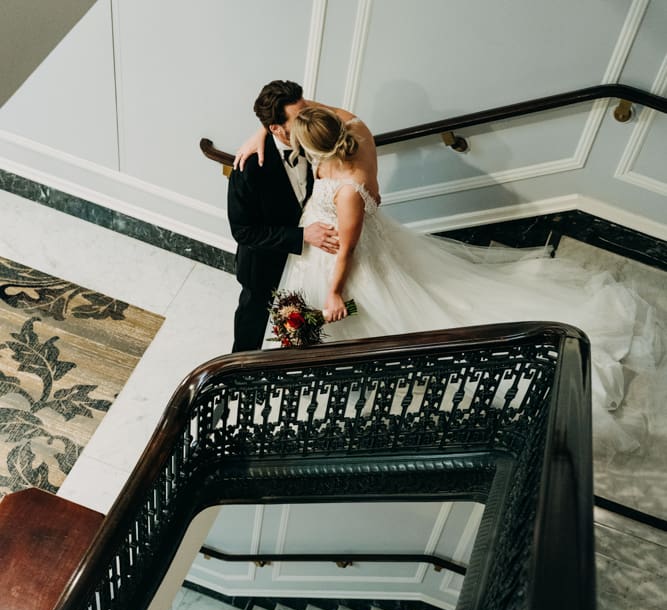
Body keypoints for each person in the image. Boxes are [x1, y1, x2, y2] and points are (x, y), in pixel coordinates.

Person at [272, 104, 662, 456]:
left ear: (316, 148)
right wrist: (269, 128)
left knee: (404, 319)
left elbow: (348, 250)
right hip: (335, 249)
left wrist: (335, 292)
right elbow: (337, 114)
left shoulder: (347, 191)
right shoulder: (356, 134)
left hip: (354, 265)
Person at [226, 80, 341, 352]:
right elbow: (243, 231)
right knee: (252, 327)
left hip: (312, 262)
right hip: (265, 265)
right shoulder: (248, 168)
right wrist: (302, 236)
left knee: (308, 321)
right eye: (298, 118)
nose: (308, 120)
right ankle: (241, 369)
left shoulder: (313, 137)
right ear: (276, 128)